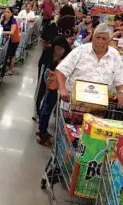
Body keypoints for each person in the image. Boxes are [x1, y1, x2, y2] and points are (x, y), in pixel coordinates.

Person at [56, 23, 123, 108]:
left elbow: (119, 79)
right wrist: (62, 89)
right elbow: (61, 71)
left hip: (98, 107)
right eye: (97, 37)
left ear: (110, 40)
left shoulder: (115, 55)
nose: (100, 41)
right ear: (92, 36)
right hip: (73, 104)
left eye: (104, 39)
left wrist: (121, 92)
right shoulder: (80, 51)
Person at [36, 14, 77, 146]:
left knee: (47, 104)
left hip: (52, 72)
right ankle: (42, 134)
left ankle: (41, 130)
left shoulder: (60, 39)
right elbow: (56, 59)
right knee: (48, 105)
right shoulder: (60, 41)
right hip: (54, 74)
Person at [0, 7, 20, 75]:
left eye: (8, 12)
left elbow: (12, 32)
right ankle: (3, 68)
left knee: (11, 54)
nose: (6, 13)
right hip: (5, 40)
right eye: (5, 12)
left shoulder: (13, 20)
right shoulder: (3, 19)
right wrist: (1, 19)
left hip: (13, 40)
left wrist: (2, 32)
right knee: (5, 54)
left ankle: (11, 69)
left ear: (11, 14)